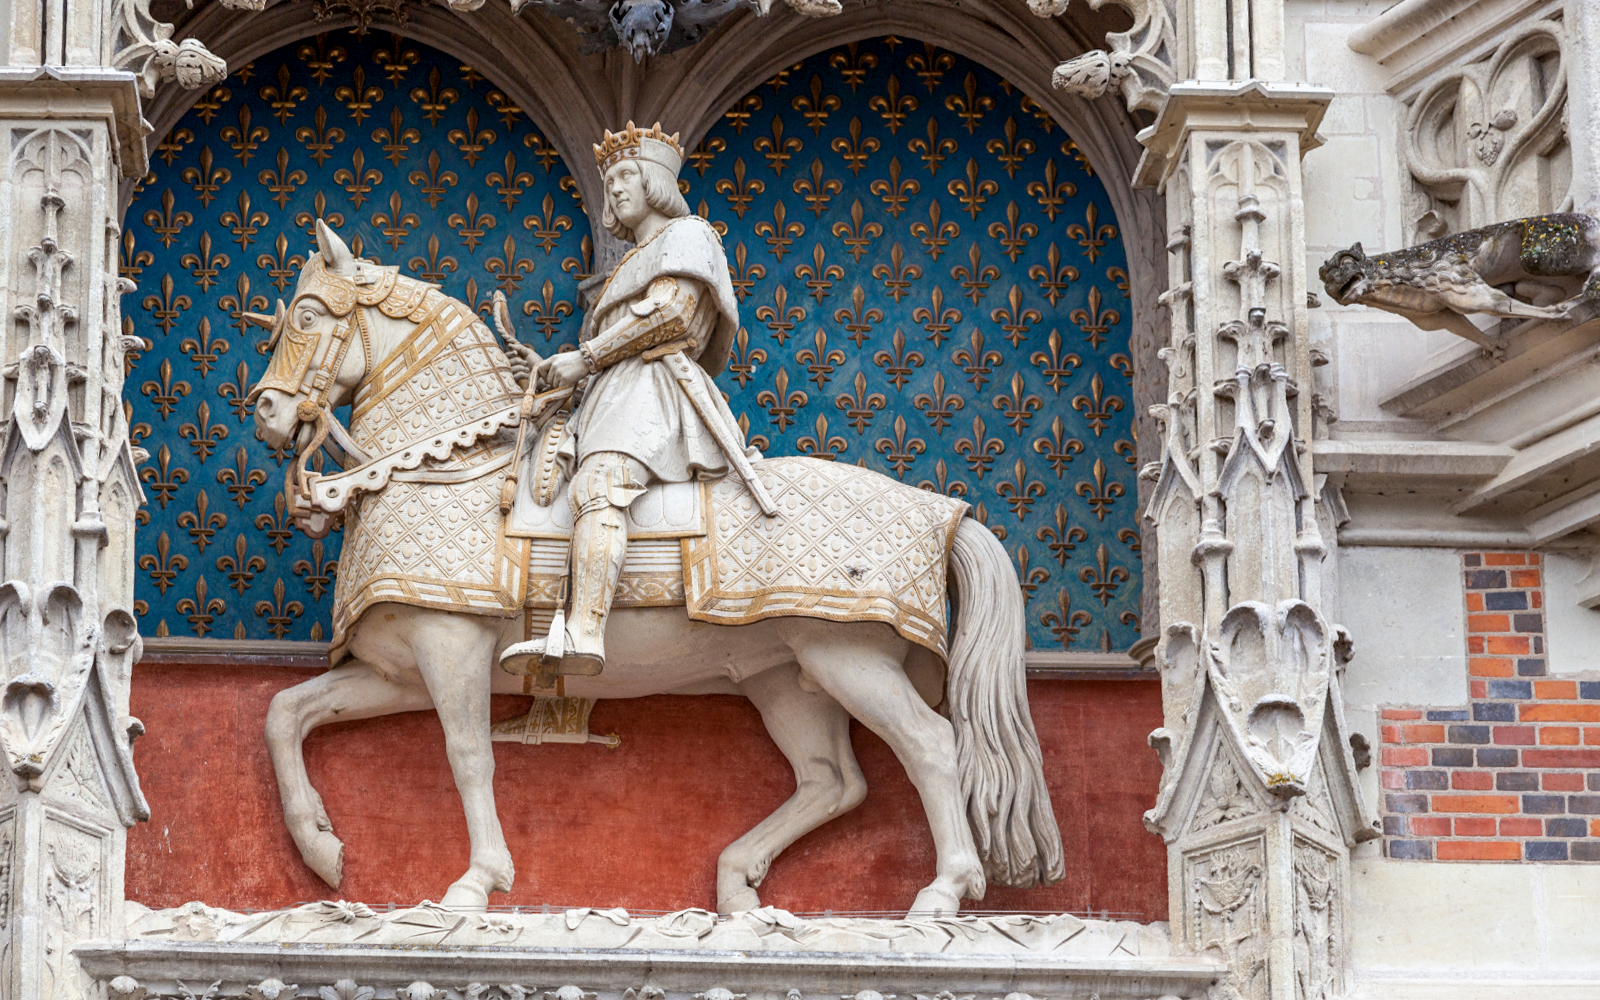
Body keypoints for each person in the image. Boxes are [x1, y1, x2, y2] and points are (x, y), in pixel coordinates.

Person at [499, 122, 746, 675]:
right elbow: (605, 352)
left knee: (600, 483)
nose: (614, 188)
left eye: (626, 175)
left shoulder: (690, 234)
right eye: (608, 180)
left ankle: (585, 630)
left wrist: (583, 358)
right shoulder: (624, 267)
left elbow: (670, 314)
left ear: (657, 181)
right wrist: (552, 371)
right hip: (612, 393)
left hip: (654, 389)